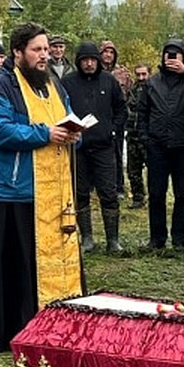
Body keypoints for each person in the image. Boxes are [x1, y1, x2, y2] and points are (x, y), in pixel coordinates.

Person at [0, 23, 84, 352]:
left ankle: (56, 320)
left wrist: (76, 131)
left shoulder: (53, 84)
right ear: (17, 53)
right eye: (37, 50)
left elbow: (68, 116)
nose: (44, 56)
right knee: (16, 269)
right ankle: (12, 328)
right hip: (13, 191)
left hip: (53, 192)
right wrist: (44, 134)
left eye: (47, 49)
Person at [135, 37, 184, 252]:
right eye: (168, 53)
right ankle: (157, 239)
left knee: (182, 195)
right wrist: (145, 139)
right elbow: (143, 112)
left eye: (176, 54)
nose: (172, 58)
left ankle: (179, 239)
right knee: (156, 194)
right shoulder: (153, 82)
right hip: (157, 146)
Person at [62, 41, 127, 254]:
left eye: (92, 60)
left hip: (104, 147)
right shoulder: (68, 82)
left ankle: (113, 239)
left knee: (108, 192)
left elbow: (120, 109)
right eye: (85, 60)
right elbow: (60, 109)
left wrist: (114, 130)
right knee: (80, 193)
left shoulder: (109, 81)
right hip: (78, 148)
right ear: (79, 61)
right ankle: (87, 237)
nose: (89, 64)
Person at [98, 41, 131, 194]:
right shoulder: (93, 70)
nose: (108, 55)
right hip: (98, 116)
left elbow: (128, 95)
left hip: (116, 116)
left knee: (117, 152)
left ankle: (119, 186)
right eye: (105, 52)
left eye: (111, 52)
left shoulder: (122, 72)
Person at [123, 62, 150, 209]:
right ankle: (138, 197)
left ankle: (156, 197)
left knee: (153, 170)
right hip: (133, 135)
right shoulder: (131, 91)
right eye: (138, 74)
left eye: (144, 74)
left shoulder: (154, 89)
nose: (141, 77)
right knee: (133, 169)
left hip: (149, 135)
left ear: (149, 74)